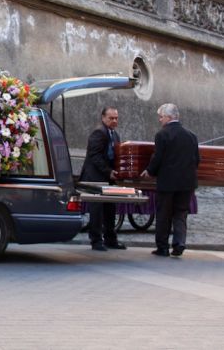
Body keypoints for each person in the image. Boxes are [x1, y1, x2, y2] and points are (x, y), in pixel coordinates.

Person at [140, 103, 199, 257]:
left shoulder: (162, 135)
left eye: (161, 117)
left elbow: (157, 157)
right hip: (187, 183)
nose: (159, 120)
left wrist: (149, 171)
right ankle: (179, 243)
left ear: (168, 117)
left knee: (163, 215)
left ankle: (163, 247)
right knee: (180, 214)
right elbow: (197, 160)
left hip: (167, 183)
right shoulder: (191, 135)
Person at [80, 106, 126, 251]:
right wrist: (108, 171)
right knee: (97, 210)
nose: (114, 121)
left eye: (116, 118)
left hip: (109, 177)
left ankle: (111, 239)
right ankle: (96, 240)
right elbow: (95, 156)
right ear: (103, 118)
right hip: (96, 177)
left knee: (110, 208)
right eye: (111, 118)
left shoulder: (115, 135)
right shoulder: (99, 133)